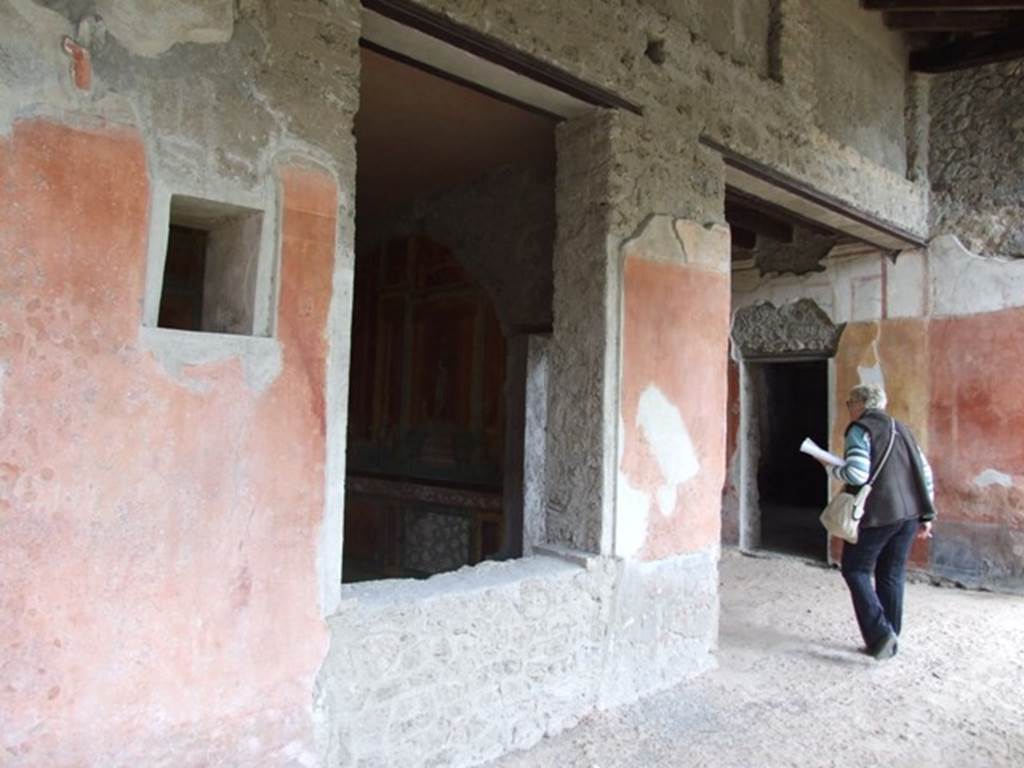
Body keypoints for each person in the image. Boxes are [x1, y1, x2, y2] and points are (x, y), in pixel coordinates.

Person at [825, 384, 936, 661]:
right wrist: (927, 515)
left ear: (860, 403)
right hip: (910, 514)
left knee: (855, 569)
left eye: (849, 403)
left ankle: (879, 635)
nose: (849, 409)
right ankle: (891, 635)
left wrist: (830, 468)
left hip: (878, 515)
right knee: (891, 573)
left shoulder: (860, 430)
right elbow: (925, 473)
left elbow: (857, 474)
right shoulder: (903, 429)